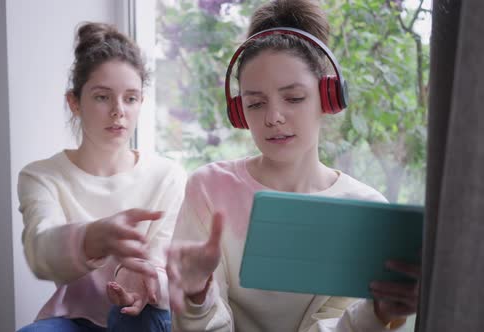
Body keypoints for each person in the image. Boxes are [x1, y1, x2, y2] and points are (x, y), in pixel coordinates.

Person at [165, 0, 420, 331]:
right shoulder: (209, 188)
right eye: (255, 103)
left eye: (294, 98)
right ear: (240, 112)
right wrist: (197, 297)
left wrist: (376, 313)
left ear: (328, 97)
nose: (273, 118)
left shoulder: (366, 210)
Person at [17, 22, 186, 332]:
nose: (118, 111)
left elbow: (165, 269)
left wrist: (143, 278)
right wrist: (92, 237)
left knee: (133, 319)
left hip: (145, 314)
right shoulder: (42, 176)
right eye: (102, 97)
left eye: (130, 98)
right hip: (77, 320)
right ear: (74, 102)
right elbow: (40, 252)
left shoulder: (168, 176)